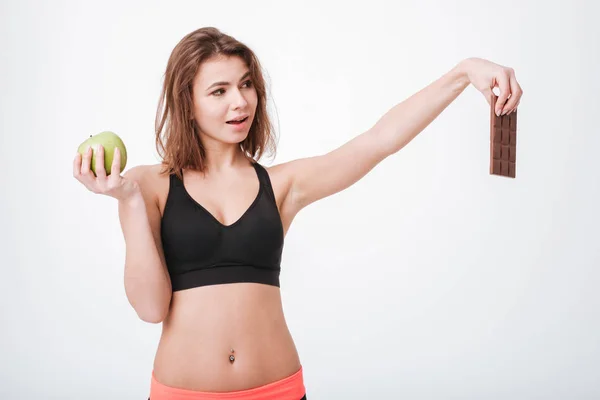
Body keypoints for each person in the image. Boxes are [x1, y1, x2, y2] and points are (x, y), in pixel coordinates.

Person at [72, 27, 523, 400]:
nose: (240, 102)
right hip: (182, 393)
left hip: (279, 390)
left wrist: (464, 74)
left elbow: (377, 141)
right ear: (187, 101)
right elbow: (150, 309)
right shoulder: (148, 185)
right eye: (220, 90)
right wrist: (128, 203)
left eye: (246, 84)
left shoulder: (281, 185)